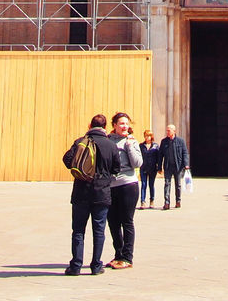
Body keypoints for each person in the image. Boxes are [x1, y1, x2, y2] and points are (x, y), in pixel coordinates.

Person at [63, 114, 121, 276]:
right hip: (101, 193)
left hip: (81, 192)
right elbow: (116, 168)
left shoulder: (80, 141)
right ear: (104, 127)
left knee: (78, 230)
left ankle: (75, 265)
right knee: (99, 230)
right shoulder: (110, 145)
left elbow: (67, 160)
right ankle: (96, 266)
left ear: (90, 125)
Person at [106, 112, 142, 270]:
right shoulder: (108, 140)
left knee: (127, 221)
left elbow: (137, 163)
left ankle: (128, 257)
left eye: (126, 123)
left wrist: (129, 146)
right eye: (121, 123)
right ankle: (118, 254)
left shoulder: (132, 141)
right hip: (111, 186)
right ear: (114, 125)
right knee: (113, 222)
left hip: (128, 185)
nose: (124, 126)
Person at [159, 124, 189, 209]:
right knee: (167, 184)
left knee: (178, 185)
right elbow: (160, 155)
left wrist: (186, 164)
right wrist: (159, 167)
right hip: (168, 166)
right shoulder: (164, 141)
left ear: (174, 131)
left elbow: (185, 153)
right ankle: (167, 202)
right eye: (167, 130)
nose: (167, 132)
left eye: (169, 130)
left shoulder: (181, 141)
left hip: (178, 166)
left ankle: (178, 201)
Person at [138, 129, 160, 209]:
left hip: (152, 168)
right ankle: (143, 202)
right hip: (143, 167)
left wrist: (160, 167)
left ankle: (152, 200)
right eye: (146, 136)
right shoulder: (141, 146)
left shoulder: (155, 146)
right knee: (143, 185)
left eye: (149, 136)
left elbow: (158, 157)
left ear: (151, 137)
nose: (147, 137)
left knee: (151, 185)